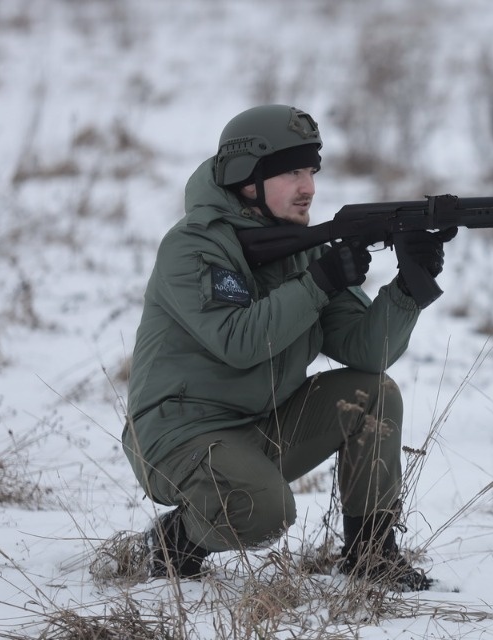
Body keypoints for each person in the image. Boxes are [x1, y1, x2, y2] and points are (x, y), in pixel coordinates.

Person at [122, 104, 451, 591]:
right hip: (180, 435)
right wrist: (317, 282)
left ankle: (371, 555)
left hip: (260, 422)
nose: (309, 187)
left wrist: (410, 286)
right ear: (245, 178)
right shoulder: (194, 246)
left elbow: (366, 351)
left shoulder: (303, 247)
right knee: (263, 512)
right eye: (292, 172)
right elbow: (238, 340)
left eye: (312, 171)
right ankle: (174, 541)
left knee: (374, 391)